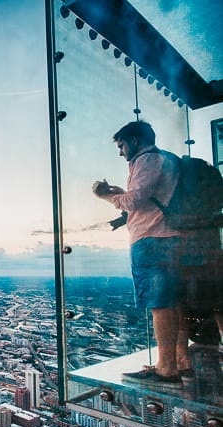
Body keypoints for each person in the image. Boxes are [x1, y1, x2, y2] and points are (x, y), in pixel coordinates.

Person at [92, 120, 188, 389]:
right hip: (168, 237)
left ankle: (167, 369)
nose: (120, 152)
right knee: (171, 302)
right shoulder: (168, 160)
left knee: (160, 304)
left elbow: (135, 202)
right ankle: (178, 362)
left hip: (153, 239)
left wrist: (104, 196)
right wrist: (119, 193)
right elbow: (144, 198)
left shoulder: (147, 160)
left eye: (122, 146)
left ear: (134, 140)